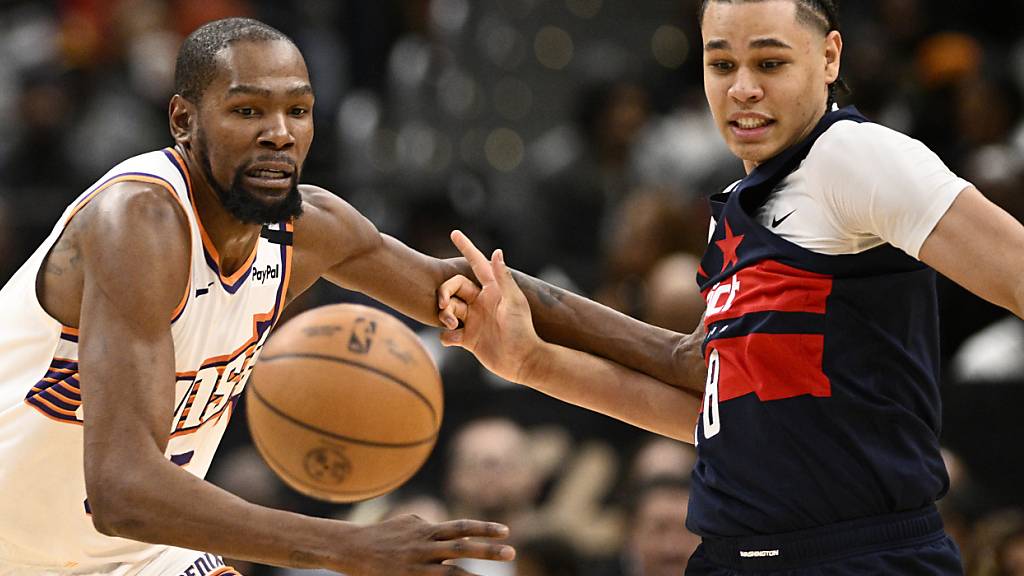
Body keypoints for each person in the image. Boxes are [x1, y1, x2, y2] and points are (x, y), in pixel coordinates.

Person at [0, 17, 706, 576]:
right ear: (183, 120)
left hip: (137, 559)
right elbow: (122, 490)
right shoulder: (140, 221)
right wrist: (351, 546)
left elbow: (480, 292)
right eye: (247, 110)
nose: (279, 134)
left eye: (298, 110)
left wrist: (676, 355)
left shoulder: (309, 227)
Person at [436, 0, 1024, 573]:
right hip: (733, 555)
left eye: (769, 63)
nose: (742, 88)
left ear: (829, 57)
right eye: (721, 64)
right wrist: (532, 361)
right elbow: (715, 411)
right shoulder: (741, 206)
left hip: (857, 554)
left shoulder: (854, 156)